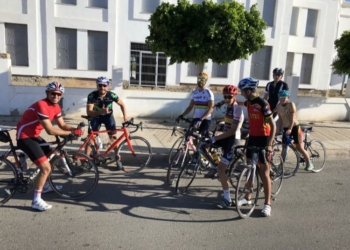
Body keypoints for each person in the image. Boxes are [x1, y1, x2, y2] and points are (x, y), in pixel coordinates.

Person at [16, 82, 83, 211]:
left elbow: (63, 125)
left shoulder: (56, 107)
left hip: (34, 136)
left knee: (53, 156)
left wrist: (76, 129)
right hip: (24, 137)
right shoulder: (42, 105)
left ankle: (45, 185)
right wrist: (71, 133)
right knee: (45, 167)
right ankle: (36, 200)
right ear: (47, 93)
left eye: (58, 94)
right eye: (53, 93)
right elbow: (50, 130)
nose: (56, 96)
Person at [237, 77, 276, 217]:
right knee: (250, 169)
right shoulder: (249, 102)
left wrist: (269, 145)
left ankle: (267, 204)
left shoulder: (262, 103)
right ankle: (248, 197)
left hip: (263, 139)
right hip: (252, 138)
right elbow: (241, 102)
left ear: (248, 90)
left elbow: (273, 125)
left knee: (264, 172)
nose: (241, 93)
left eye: (242, 90)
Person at [202, 85, 244, 209]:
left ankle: (227, 198)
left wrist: (215, 138)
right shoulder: (229, 106)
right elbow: (227, 121)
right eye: (225, 96)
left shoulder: (237, 109)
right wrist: (221, 123)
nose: (226, 99)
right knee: (205, 146)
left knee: (221, 169)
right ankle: (216, 164)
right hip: (226, 137)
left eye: (229, 97)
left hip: (233, 140)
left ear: (234, 96)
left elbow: (232, 131)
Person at [85, 76, 128, 169]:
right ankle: (86, 160)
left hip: (108, 117)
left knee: (113, 137)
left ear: (108, 86)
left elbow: (122, 104)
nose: (102, 87)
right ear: (97, 86)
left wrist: (125, 116)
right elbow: (89, 112)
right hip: (95, 117)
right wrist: (101, 112)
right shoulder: (92, 96)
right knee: (91, 138)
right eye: (100, 85)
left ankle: (117, 159)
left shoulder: (111, 95)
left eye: (104, 85)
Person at [276, 90, 314, 171]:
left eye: (284, 98)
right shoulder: (278, 106)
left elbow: (292, 119)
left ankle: (309, 163)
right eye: (280, 98)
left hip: (295, 127)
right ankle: (281, 165)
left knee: (299, 147)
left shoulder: (291, 105)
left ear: (288, 98)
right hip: (286, 128)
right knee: (284, 147)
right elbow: (280, 120)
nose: (282, 100)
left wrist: (290, 129)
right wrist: (277, 130)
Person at [176, 72, 214, 136]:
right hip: (196, 118)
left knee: (203, 140)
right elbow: (190, 107)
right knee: (192, 137)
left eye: (202, 80)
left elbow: (211, 108)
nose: (200, 81)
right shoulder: (194, 93)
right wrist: (181, 115)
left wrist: (201, 119)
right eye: (199, 79)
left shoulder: (208, 93)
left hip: (205, 119)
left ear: (206, 81)